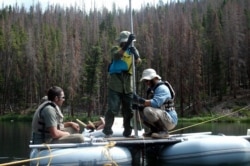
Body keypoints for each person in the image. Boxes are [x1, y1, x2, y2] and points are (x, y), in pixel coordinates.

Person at [102, 31, 141, 138]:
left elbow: (137, 63)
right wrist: (128, 43)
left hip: (128, 85)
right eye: (124, 42)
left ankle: (128, 132)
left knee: (128, 110)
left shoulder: (133, 50)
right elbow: (116, 56)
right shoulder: (115, 49)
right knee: (113, 108)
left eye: (127, 42)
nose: (125, 43)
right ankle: (107, 130)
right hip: (115, 84)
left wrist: (136, 56)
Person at [133, 68, 178, 139]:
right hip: (163, 116)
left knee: (147, 110)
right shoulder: (152, 90)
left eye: (148, 80)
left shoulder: (162, 88)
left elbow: (156, 103)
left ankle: (164, 131)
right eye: (145, 81)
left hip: (170, 120)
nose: (147, 83)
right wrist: (139, 106)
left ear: (155, 78)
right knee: (140, 111)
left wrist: (139, 100)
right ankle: (154, 130)